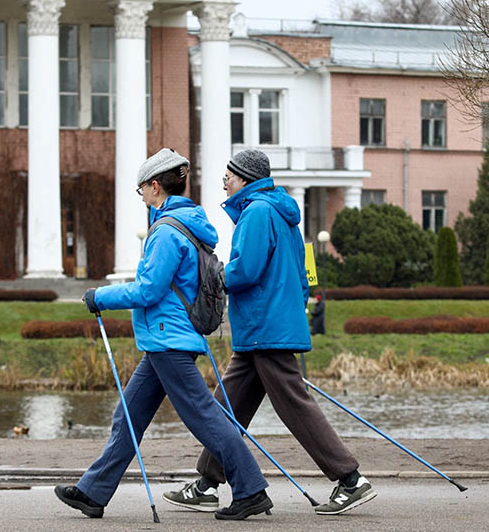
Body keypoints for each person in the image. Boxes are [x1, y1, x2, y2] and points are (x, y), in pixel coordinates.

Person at [54, 148, 273, 521]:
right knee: (129, 416)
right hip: (165, 340)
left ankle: (250, 489)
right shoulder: (185, 224)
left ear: (155, 186)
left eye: (141, 189)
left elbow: (148, 290)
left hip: (168, 339)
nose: (141, 196)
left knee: (205, 417)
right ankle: (93, 492)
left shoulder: (167, 232)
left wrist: (99, 297)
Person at [163, 148, 377, 516]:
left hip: (265, 327)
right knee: (226, 408)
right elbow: (298, 270)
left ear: (245, 179)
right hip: (263, 327)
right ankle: (207, 484)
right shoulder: (277, 210)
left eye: (228, 177)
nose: (224, 183)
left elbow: (246, 270)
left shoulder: (257, 211)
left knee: (294, 406)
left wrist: (214, 276)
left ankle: (350, 479)